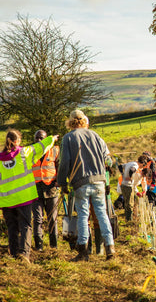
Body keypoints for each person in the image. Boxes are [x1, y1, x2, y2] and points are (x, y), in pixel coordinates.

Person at [0, 129, 59, 263]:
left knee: (12, 227)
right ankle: (24, 255)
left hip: (6, 200)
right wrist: (52, 139)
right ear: (17, 141)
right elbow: (41, 147)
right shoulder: (24, 153)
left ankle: (13, 254)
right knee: (26, 226)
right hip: (23, 199)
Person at [57, 109, 115, 261]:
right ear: (84, 121)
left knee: (83, 216)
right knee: (102, 214)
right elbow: (107, 159)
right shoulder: (95, 135)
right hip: (100, 181)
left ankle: (83, 252)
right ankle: (110, 249)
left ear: (70, 122)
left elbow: (64, 163)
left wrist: (62, 183)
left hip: (81, 182)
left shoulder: (68, 138)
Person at [31, 129, 60, 251]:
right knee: (37, 218)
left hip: (51, 189)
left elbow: (59, 166)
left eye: (41, 138)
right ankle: (39, 246)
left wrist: (59, 180)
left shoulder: (55, 150)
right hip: (35, 189)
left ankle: (54, 246)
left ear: (47, 139)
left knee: (52, 218)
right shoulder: (30, 152)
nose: (39, 140)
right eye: (37, 138)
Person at [120, 155, 148, 221]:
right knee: (130, 203)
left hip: (124, 184)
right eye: (143, 165)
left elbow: (120, 166)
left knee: (128, 203)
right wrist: (130, 178)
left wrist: (144, 191)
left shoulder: (131, 163)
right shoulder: (136, 167)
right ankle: (129, 219)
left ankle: (129, 217)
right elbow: (134, 184)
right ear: (142, 163)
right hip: (128, 186)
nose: (142, 167)